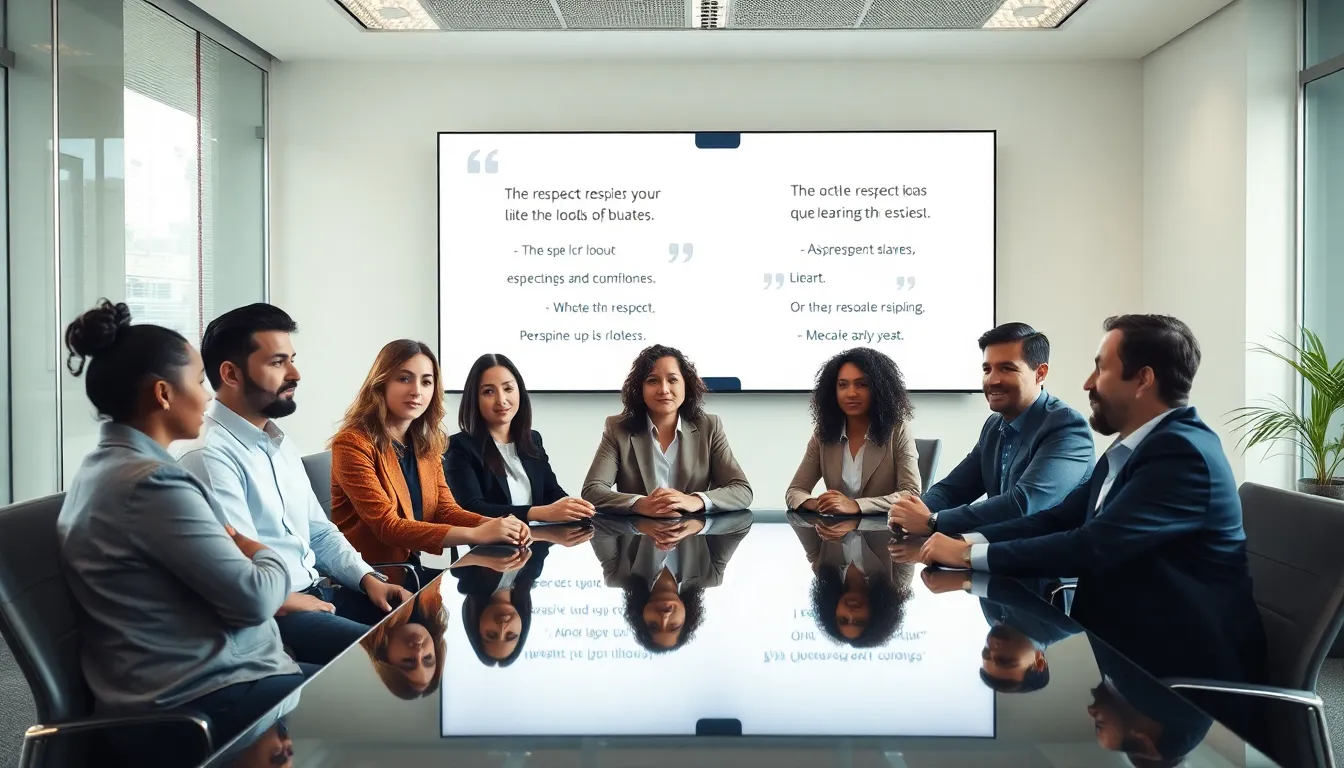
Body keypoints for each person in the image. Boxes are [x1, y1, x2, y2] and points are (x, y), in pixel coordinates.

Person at [918, 314, 1267, 740]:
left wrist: (968, 554)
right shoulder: (1131, 448)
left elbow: (1091, 547)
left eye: (1100, 368)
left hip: (1175, 674)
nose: (1087, 383)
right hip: (1122, 644)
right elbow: (1058, 517)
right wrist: (965, 544)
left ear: (1142, 379)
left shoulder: (1181, 453)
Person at [55, 300, 307, 768]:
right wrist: (259, 550)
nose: (209, 396)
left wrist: (243, 549)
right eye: (197, 382)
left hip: (208, 682)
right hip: (201, 701)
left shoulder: (107, 467)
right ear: (164, 394)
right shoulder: (153, 484)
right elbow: (256, 598)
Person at [179, 304, 410, 666]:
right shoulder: (210, 458)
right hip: (279, 615)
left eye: (292, 359)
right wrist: (302, 602)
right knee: (391, 655)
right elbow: (242, 572)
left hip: (319, 592)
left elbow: (319, 533)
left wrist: (368, 578)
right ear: (231, 374)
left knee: (424, 629)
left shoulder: (278, 442)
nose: (295, 373)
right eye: (277, 362)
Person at [329, 341, 528, 587]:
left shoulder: (423, 443)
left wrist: (498, 525)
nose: (417, 391)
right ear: (381, 383)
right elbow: (387, 526)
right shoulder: (352, 443)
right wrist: (477, 534)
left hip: (411, 573)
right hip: (372, 580)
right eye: (404, 379)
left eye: (426, 382)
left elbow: (445, 511)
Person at [889, 323, 1095, 536]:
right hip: (1001, 554)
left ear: (1040, 373)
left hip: (1050, 563)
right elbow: (952, 489)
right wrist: (913, 510)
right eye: (987, 369)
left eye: (1007, 368)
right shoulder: (994, 426)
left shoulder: (1067, 426)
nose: (992, 380)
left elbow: (1022, 504)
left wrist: (933, 521)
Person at [582, 344, 753, 515]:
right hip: (637, 536)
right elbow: (593, 490)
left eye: (672, 380)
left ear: (686, 385)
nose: (664, 389)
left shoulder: (709, 426)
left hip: (693, 536)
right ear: (640, 389)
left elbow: (742, 491)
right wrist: (640, 504)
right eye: (652, 381)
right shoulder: (618, 428)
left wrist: (695, 500)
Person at [445, 353, 594, 522]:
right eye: (488, 392)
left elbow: (551, 492)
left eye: (508, 389)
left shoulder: (532, 439)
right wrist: (539, 513)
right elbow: (472, 508)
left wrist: (572, 506)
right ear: (475, 399)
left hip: (541, 542)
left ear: (520, 392)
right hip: (493, 546)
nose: (501, 400)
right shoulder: (459, 446)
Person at [591, 511, 753, 652]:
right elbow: (742, 523)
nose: (665, 617)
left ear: (640, 617)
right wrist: (700, 525)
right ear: (687, 618)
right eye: (674, 626)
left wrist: (641, 524)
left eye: (654, 626)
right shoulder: (709, 575)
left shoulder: (619, 575)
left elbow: (596, 523)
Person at [786, 347, 921, 515]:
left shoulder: (898, 430)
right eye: (842, 385)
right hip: (835, 535)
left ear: (879, 389)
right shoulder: (824, 433)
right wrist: (817, 504)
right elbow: (795, 491)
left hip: (884, 535)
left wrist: (857, 505)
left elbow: (911, 494)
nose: (850, 393)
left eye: (862, 384)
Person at [788, 513, 913, 647]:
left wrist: (821, 511)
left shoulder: (824, 570)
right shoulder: (897, 581)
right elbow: (909, 522)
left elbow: (795, 518)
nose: (851, 613)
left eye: (843, 619)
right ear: (877, 616)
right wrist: (855, 517)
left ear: (832, 612)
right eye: (860, 621)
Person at [452, 541, 557, 666]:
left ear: (477, 626)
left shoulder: (467, 576)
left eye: (491, 634)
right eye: (511, 635)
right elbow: (543, 542)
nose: (502, 627)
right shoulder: (532, 573)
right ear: (522, 628)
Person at [360, 578, 448, 698]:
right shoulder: (431, 607)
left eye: (408, 661)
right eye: (427, 658)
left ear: (385, 657)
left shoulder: (361, 620)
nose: (419, 652)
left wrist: (367, 581)